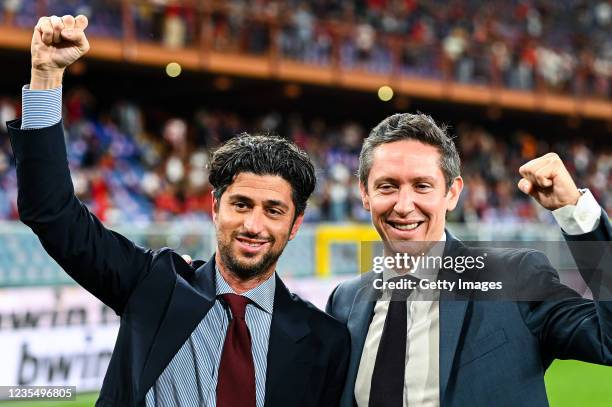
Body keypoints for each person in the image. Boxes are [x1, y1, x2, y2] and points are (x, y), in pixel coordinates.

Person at [7, 15, 349, 407]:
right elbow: (51, 212)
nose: (254, 224)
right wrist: (45, 78)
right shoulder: (154, 285)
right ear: (216, 207)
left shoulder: (325, 340)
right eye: (241, 204)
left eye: (274, 211)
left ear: (295, 225)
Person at [326, 113, 611, 406]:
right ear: (365, 193)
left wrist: (576, 213)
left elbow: (608, 342)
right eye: (387, 186)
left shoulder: (515, 279)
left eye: (422, 186)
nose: (403, 205)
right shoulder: (345, 302)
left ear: (452, 193)